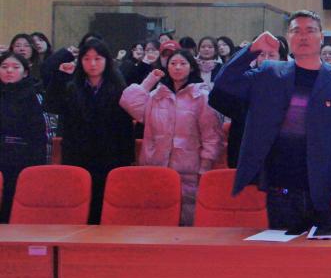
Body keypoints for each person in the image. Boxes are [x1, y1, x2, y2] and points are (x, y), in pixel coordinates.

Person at [212, 11, 331, 231]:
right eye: (296, 31)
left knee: (322, 252)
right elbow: (225, 83)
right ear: (288, 38)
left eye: (310, 30)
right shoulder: (270, 73)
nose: (303, 36)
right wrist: (252, 50)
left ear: (321, 37)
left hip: (324, 187)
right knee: (282, 249)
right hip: (280, 186)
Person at [120, 49, 223, 226]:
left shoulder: (202, 97)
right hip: (156, 166)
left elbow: (211, 136)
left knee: (187, 219)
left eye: (183, 63)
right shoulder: (157, 95)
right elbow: (129, 102)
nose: (177, 67)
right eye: (173, 64)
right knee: (157, 218)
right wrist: (150, 80)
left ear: (191, 67)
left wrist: (205, 166)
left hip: (189, 170)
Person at [44, 39, 135, 224]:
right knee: (79, 206)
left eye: (98, 58)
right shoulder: (71, 86)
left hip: (110, 157)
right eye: (86, 58)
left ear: (107, 60)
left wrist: (126, 159)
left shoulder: (118, 88)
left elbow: (125, 128)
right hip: (78, 156)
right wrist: (60, 77)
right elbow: (51, 105)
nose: (92, 64)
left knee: (106, 206)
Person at [208, 33, 289, 169]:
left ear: (282, 59)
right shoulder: (248, 80)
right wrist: (250, 50)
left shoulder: (290, 86)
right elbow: (223, 80)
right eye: (261, 55)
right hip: (244, 154)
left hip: (277, 157)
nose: (266, 60)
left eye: (271, 55)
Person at [0, 52, 51, 222]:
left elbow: (40, 134)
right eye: (4, 67)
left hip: (23, 158)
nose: (9, 71)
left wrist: (38, 167)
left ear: (25, 72)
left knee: (17, 204)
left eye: (15, 67)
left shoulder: (33, 95)